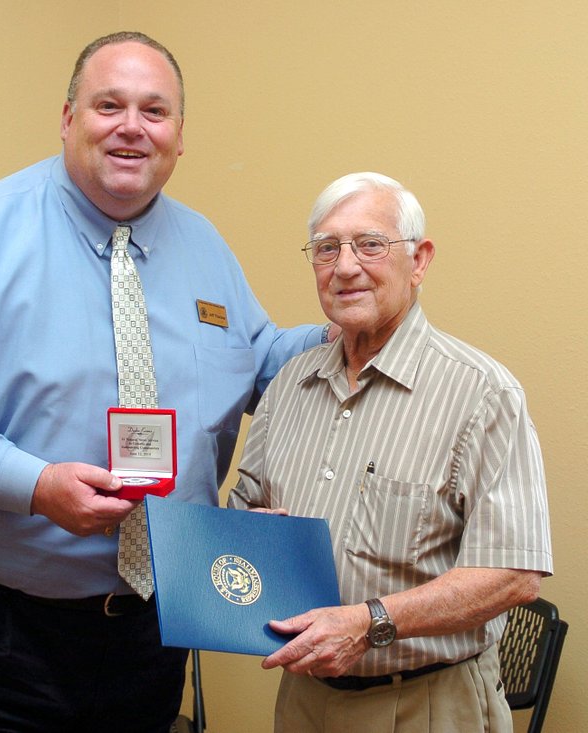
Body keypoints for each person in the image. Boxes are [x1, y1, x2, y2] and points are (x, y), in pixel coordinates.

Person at [0, 31, 331, 733]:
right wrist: (35, 485)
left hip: (143, 626)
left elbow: (259, 365)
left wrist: (345, 329)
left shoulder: (204, 248)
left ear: (180, 137)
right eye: (110, 105)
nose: (132, 126)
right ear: (69, 118)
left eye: (154, 111)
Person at [228, 172, 552, 733]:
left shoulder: (481, 394)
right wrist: (249, 534)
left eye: (370, 244)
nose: (345, 266)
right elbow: (239, 512)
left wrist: (370, 622)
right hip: (303, 698)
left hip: (427, 702)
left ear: (419, 260)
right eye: (327, 248)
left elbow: (513, 575)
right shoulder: (287, 387)